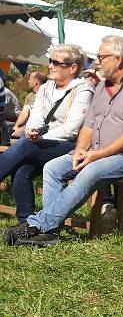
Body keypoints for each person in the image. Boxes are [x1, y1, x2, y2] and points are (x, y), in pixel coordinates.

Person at [3, 36, 123, 247]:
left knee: (91, 171)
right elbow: (88, 126)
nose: (97, 63)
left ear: (119, 59)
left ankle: (38, 225)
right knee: (52, 167)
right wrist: (80, 149)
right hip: (95, 152)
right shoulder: (103, 88)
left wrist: (95, 155)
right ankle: (51, 233)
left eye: (102, 57)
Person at [0, 46, 94, 223]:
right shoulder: (45, 87)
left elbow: (71, 130)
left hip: (75, 147)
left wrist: (39, 138)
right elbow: (36, 116)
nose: (50, 66)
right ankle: (26, 223)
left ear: (72, 68)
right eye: (50, 61)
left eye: (57, 63)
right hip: (43, 144)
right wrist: (31, 130)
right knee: (22, 169)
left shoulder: (83, 90)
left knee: (26, 145)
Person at [11, 72, 47, 138]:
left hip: (39, 130)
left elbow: (43, 121)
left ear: (35, 83)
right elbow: (24, 113)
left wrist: (23, 129)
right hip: (28, 127)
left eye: (30, 79)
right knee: (9, 130)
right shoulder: (30, 96)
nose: (28, 81)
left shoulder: (46, 96)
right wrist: (16, 126)